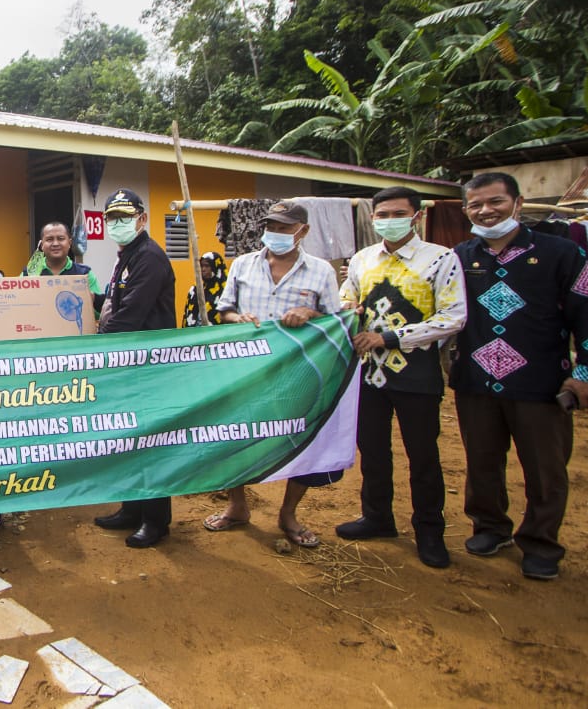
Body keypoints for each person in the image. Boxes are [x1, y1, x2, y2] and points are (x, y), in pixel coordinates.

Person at [451, 172, 588, 580]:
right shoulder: (460, 257)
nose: (486, 211)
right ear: (466, 210)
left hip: (541, 383)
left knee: (545, 468)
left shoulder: (561, 253)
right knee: (482, 462)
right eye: (475, 204)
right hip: (475, 382)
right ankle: (490, 528)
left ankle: (540, 542)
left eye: (495, 201)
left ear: (517, 203)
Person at [333, 187, 466, 568]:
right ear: (373, 219)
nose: (389, 221)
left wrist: (389, 337)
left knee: (423, 455)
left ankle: (429, 531)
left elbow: (452, 317)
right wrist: (348, 308)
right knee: (373, 451)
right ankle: (377, 517)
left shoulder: (441, 260)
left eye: (397, 213)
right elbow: (348, 295)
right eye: (382, 215)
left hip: (417, 373)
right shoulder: (361, 259)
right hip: (367, 374)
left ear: (417, 216)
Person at [204, 200, 343, 548]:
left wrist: (310, 312)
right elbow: (225, 311)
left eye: (284, 227)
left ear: (303, 231)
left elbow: (335, 322)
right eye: (271, 227)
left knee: (298, 434)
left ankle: (289, 513)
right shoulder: (243, 265)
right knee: (235, 433)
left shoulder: (321, 271)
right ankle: (237, 506)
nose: (275, 234)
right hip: (246, 369)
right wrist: (240, 319)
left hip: (297, 371)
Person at [91, 189, 178, 548]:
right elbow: (114, 303)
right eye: (111, 217)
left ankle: (156, 520)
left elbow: (129, 316)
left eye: (125, 216)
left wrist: (94, 349)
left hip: (150, 367)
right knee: (129, 439)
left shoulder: (150, 258)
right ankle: (132, 507)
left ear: (142, 219)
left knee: (152, 441)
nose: (117, 223)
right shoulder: (126, 256)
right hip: (129, 365)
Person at [21, 221, 102, 294]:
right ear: (42, 245)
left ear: (69, 243)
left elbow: (99, 308)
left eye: (61, 239)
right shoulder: (28, 274)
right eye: (49, 239)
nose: (55, 243)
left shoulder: (85, 274)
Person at [182, 252, 227, 327]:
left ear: (216, 267)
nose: (203, 269)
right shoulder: (194, 290)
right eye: (201, 266)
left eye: (207, 266)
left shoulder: (225, 291)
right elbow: (186, 316)